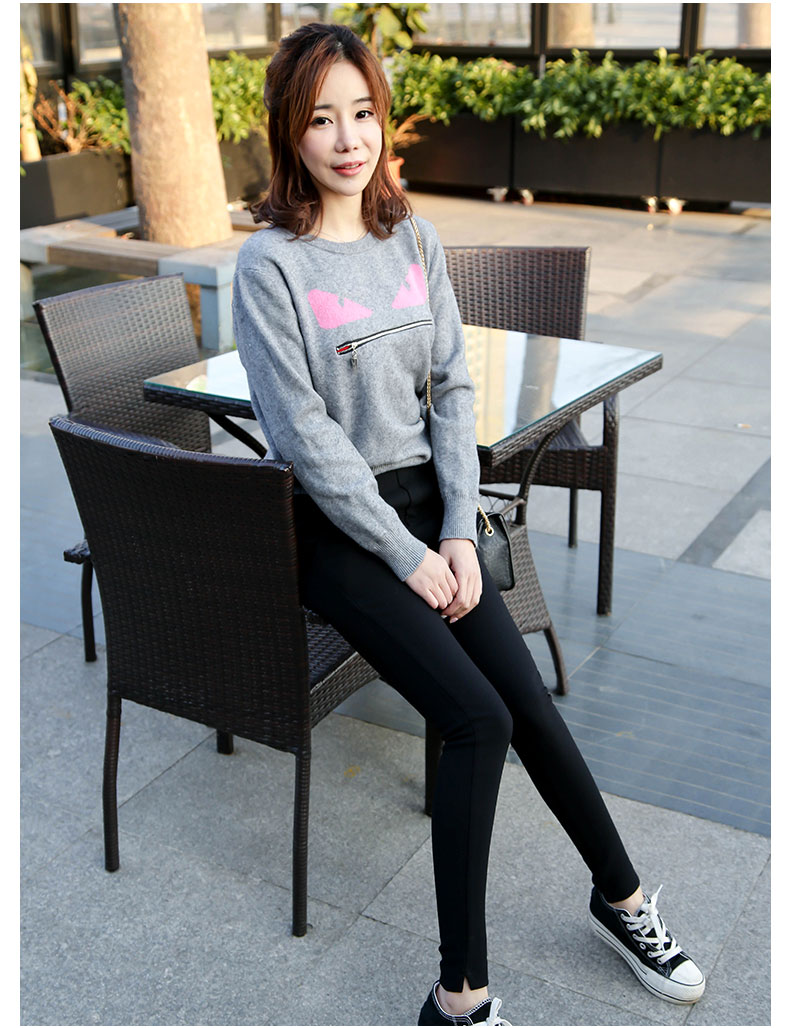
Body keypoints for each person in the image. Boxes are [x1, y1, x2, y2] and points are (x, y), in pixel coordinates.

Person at [231, 22, 706, 1027]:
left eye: (363, 112)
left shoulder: (413, 237)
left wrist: (455, 529)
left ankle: (621, 899)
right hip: (336, 533)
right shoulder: (269, 265)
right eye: (322, 118)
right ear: (290, 131)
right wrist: (407, 554)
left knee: (527, 703)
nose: (348, 138)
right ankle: (459, 995)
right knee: (476, 718)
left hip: (430, 515)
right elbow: (303, 437)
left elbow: (453, 388)